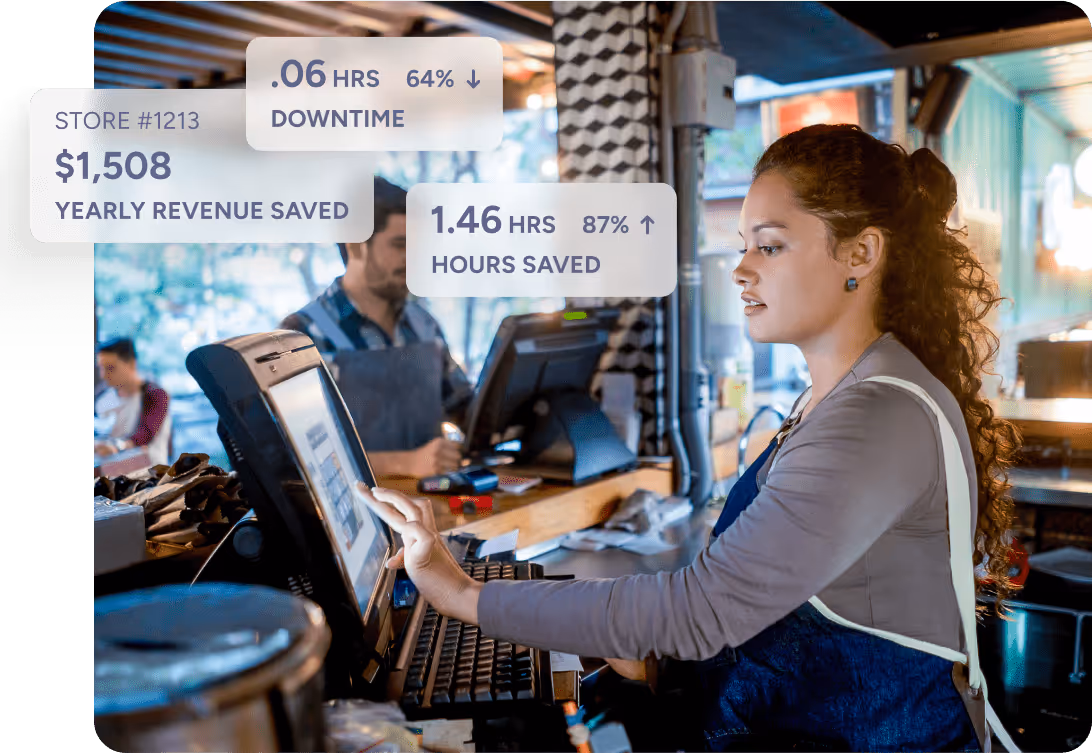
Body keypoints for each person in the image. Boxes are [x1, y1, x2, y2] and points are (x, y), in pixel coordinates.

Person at [356, 125, 1024, 752]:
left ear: (861, 253)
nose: (741, 270)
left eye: (769, 244)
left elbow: (703, 611)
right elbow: (764, 608)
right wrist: (628, 639)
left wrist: (461, 593)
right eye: (742, 245)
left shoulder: (875, 416)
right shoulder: (844, 393)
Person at [281, 176, 472, 479]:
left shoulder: (425, 325)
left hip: (437, 512)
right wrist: (404, 465)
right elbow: (293, 456)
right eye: (401, 245)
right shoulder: (302, 335)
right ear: (356, 246)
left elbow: (463, 407)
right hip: (357, 521)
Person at [94, 337, 173, 466]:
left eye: (110, 368)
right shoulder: (102, 398)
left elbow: (145, 434)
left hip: (150, 472)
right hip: (111, 472)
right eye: (101, 368)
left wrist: (116, 447)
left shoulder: (155, 394)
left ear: (131, 364)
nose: (103, 375)